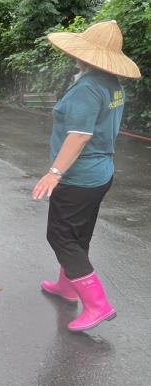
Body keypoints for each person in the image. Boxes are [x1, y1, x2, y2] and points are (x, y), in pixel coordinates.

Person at [32, 20, 140, 332]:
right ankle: (67, 287)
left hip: (79, 177)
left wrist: (54, 172)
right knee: (78, 236)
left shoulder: (88, 88)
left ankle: (97, 304)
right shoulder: (112, 84)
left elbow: (78, 136)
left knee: (61, 236)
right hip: (101, 172)